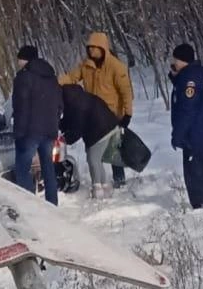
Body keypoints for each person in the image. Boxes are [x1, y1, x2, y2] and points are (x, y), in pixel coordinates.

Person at [60, 31, 133, 189]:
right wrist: (55, 82)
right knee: (92, 147)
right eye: (90, 48)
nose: (92, 51)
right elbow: (71, 77)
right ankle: (100, 180)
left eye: (95, 48)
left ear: (103, 48)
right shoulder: (86, 66)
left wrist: (127, 114)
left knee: (114, 149)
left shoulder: (116, 67)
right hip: (91, 112)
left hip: (113, 112)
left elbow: (126, 92)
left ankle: (119, 180)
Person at [12, 44, 62, 206]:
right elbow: (60, 105)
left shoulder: (23, 77)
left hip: (30, 131)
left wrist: (19, 133)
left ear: (25, 59)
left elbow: (20, 107)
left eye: (19, 59)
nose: (18, 62)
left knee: (22, 169)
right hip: (49, 130)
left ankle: (30, 205)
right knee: (48, 168)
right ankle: (52, 204)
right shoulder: (52, 77)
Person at [169, 43, 203, 209]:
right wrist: (176, 78)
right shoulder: (198, 73)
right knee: (202, 170)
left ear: (182, 60)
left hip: (195, 135)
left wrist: (178, 135)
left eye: (175, 60)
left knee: (195, 174)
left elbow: (187, 110)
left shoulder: (190, 79)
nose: (173, 63)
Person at [60, 84, 120, 198]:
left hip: (102, 130)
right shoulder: (76, 99)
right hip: (107, 125)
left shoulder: (78, 105)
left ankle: (97, 189)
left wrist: (65, 139)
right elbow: (68, 120)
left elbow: (77, 128)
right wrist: (59, 125)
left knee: (93, 159)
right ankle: (106, 186)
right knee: (96, 159)